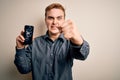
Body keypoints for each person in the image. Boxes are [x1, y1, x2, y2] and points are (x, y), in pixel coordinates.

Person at [14, 3, 90, 80]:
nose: (54, 22)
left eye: (59, 18)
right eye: (50, 18)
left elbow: (83, 55)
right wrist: (20, 48)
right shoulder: (34, 43)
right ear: (45, 20)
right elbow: (23, 69)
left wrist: (78, 40)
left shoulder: (71, 41)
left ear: (64, 20)